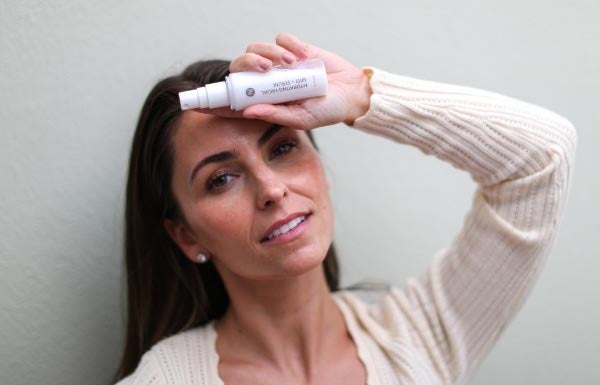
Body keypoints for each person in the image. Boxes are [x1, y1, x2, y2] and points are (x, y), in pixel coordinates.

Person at [113, 33, 576, 385]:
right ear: (187, 235)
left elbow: (545, 155)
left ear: (321, 169)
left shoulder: (418, 338)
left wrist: (361, 96)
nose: (272, 189)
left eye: (282, 148)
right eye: (221, 179)